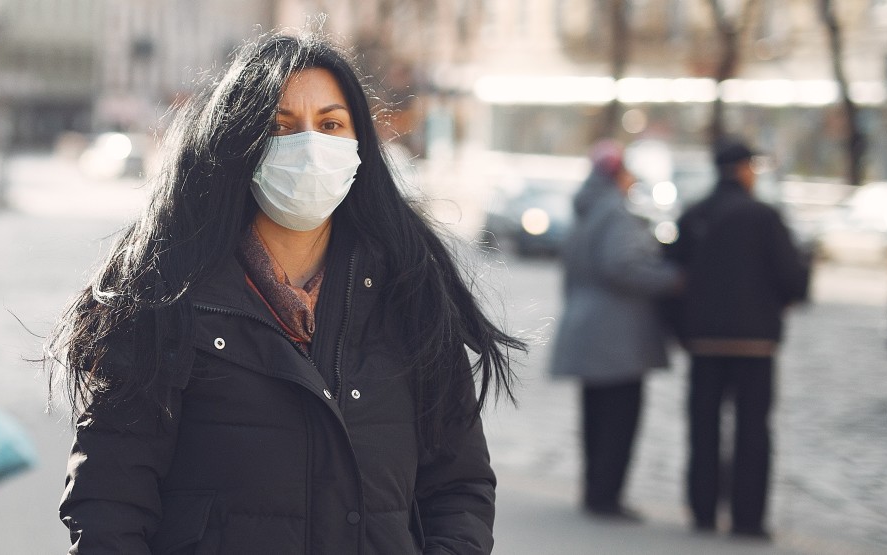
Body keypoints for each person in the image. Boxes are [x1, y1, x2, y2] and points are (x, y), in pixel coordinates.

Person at [54, 32, 519, 555]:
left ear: (359, 142)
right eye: (280, 127)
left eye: (330, 124)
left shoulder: (409, 296)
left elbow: (459, 489)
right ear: (237, 144)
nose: (309, 146)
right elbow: (109, 508)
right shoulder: (162, 299)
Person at [667, 137, 809, 541]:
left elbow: (673, 278)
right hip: (755, 343)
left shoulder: (695, 214)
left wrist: (686, 330)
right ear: (746, 169)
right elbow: (792, 278)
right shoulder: (764, 216)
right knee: (752, 430)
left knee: (703, 427)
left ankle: (703, 511)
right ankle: (748, 519)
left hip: (704, 343)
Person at [548, 141, 679, 521]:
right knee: (619, 419)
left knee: (595, 417)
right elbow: (621, 265)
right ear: (618, 174)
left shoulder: (585, 211)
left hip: (586, 327)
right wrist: (671, 279)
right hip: (618, 336)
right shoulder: (617, 213)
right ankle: (607, 496)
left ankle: (595, 490)